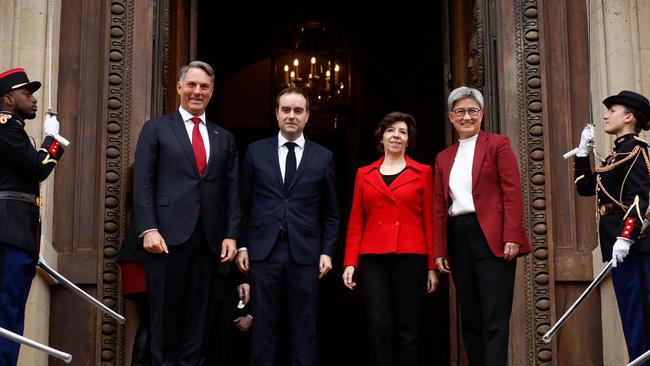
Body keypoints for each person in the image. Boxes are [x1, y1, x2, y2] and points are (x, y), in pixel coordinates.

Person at [133, 60, 240, 365]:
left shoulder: (224, 138)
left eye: (204, 86)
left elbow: (232, 190)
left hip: (209, 243)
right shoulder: (156, 128)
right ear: (179, 88)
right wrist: (148, 228)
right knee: (164, 324)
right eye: (191, 85)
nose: (197, 91)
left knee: (199, 326)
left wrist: (232, 234)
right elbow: (143, 184)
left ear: (212, 91)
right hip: (165, 240)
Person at [237, 86, 340, 365]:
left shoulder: (323, 157)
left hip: (305, 254)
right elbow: (241, 204)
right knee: (263, 330)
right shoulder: (255, 152)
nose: (291, 116)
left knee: (304, 329)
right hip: (263, 252)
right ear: (276, 114)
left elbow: (331, 213)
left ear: (307, 116)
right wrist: (242, 244)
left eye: (298, 111)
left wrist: (327, 251)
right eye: (286, 110)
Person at [433, 86, 531, 366]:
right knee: (471, 316)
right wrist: (439, 250)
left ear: (482, 114)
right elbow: (439, 205)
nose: (467, 117)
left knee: (495, 315)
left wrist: (511, 234)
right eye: (461, 112)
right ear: (451, 117)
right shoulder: (443, 157)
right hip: (459, 235)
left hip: (493, 236)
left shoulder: (497, 144)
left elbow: (512, 192)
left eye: (473, 111)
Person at [342, 111, 439, 366]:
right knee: (378, 324)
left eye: (402, 132)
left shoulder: (424, 172)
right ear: (381, 137)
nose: (396, 136)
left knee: (408, 327)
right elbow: (355, 221)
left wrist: (431, 266)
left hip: (411, 256)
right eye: (390, 131)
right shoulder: (364, 173)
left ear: (409, 140)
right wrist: (350, 263)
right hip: (372, 258)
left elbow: (429, 222)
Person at [573, 90, 650, 362]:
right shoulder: (616, 156)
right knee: (631, 317)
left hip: (634, 247)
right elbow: (584, 187)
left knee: (641, 321)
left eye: (612, 110)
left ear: (629, 117)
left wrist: (626, 237)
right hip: (617, 248)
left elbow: (639, 198)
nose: (605, 115)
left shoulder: (636, 152)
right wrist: (583, 153)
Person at [0, 67, 64, 365]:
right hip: (9, 231)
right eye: (27, 94)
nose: (34, 100)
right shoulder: (6, 127)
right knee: (8, 310)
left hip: (16, 231)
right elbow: (38, 167)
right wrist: (53, 140)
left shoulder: (12, 128)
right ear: (8, 99)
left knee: (10, 311)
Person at [116, 165, 150, 366]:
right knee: (154, 320)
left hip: (133, 255)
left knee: (149, 319)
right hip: (144, 256)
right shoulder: (154, 172)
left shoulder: (137, 171)